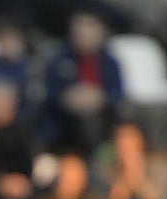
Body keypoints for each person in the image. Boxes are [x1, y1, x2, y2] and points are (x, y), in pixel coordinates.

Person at [42, 11, 123, 153]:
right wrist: (67, 98)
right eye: (78, 29)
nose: (83, 33)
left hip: (103, 119)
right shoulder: (59, 60)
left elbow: (118, 93)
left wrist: (100, 97)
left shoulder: (110, 62)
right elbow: (50, 91)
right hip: (66, 123)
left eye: (89, 28)